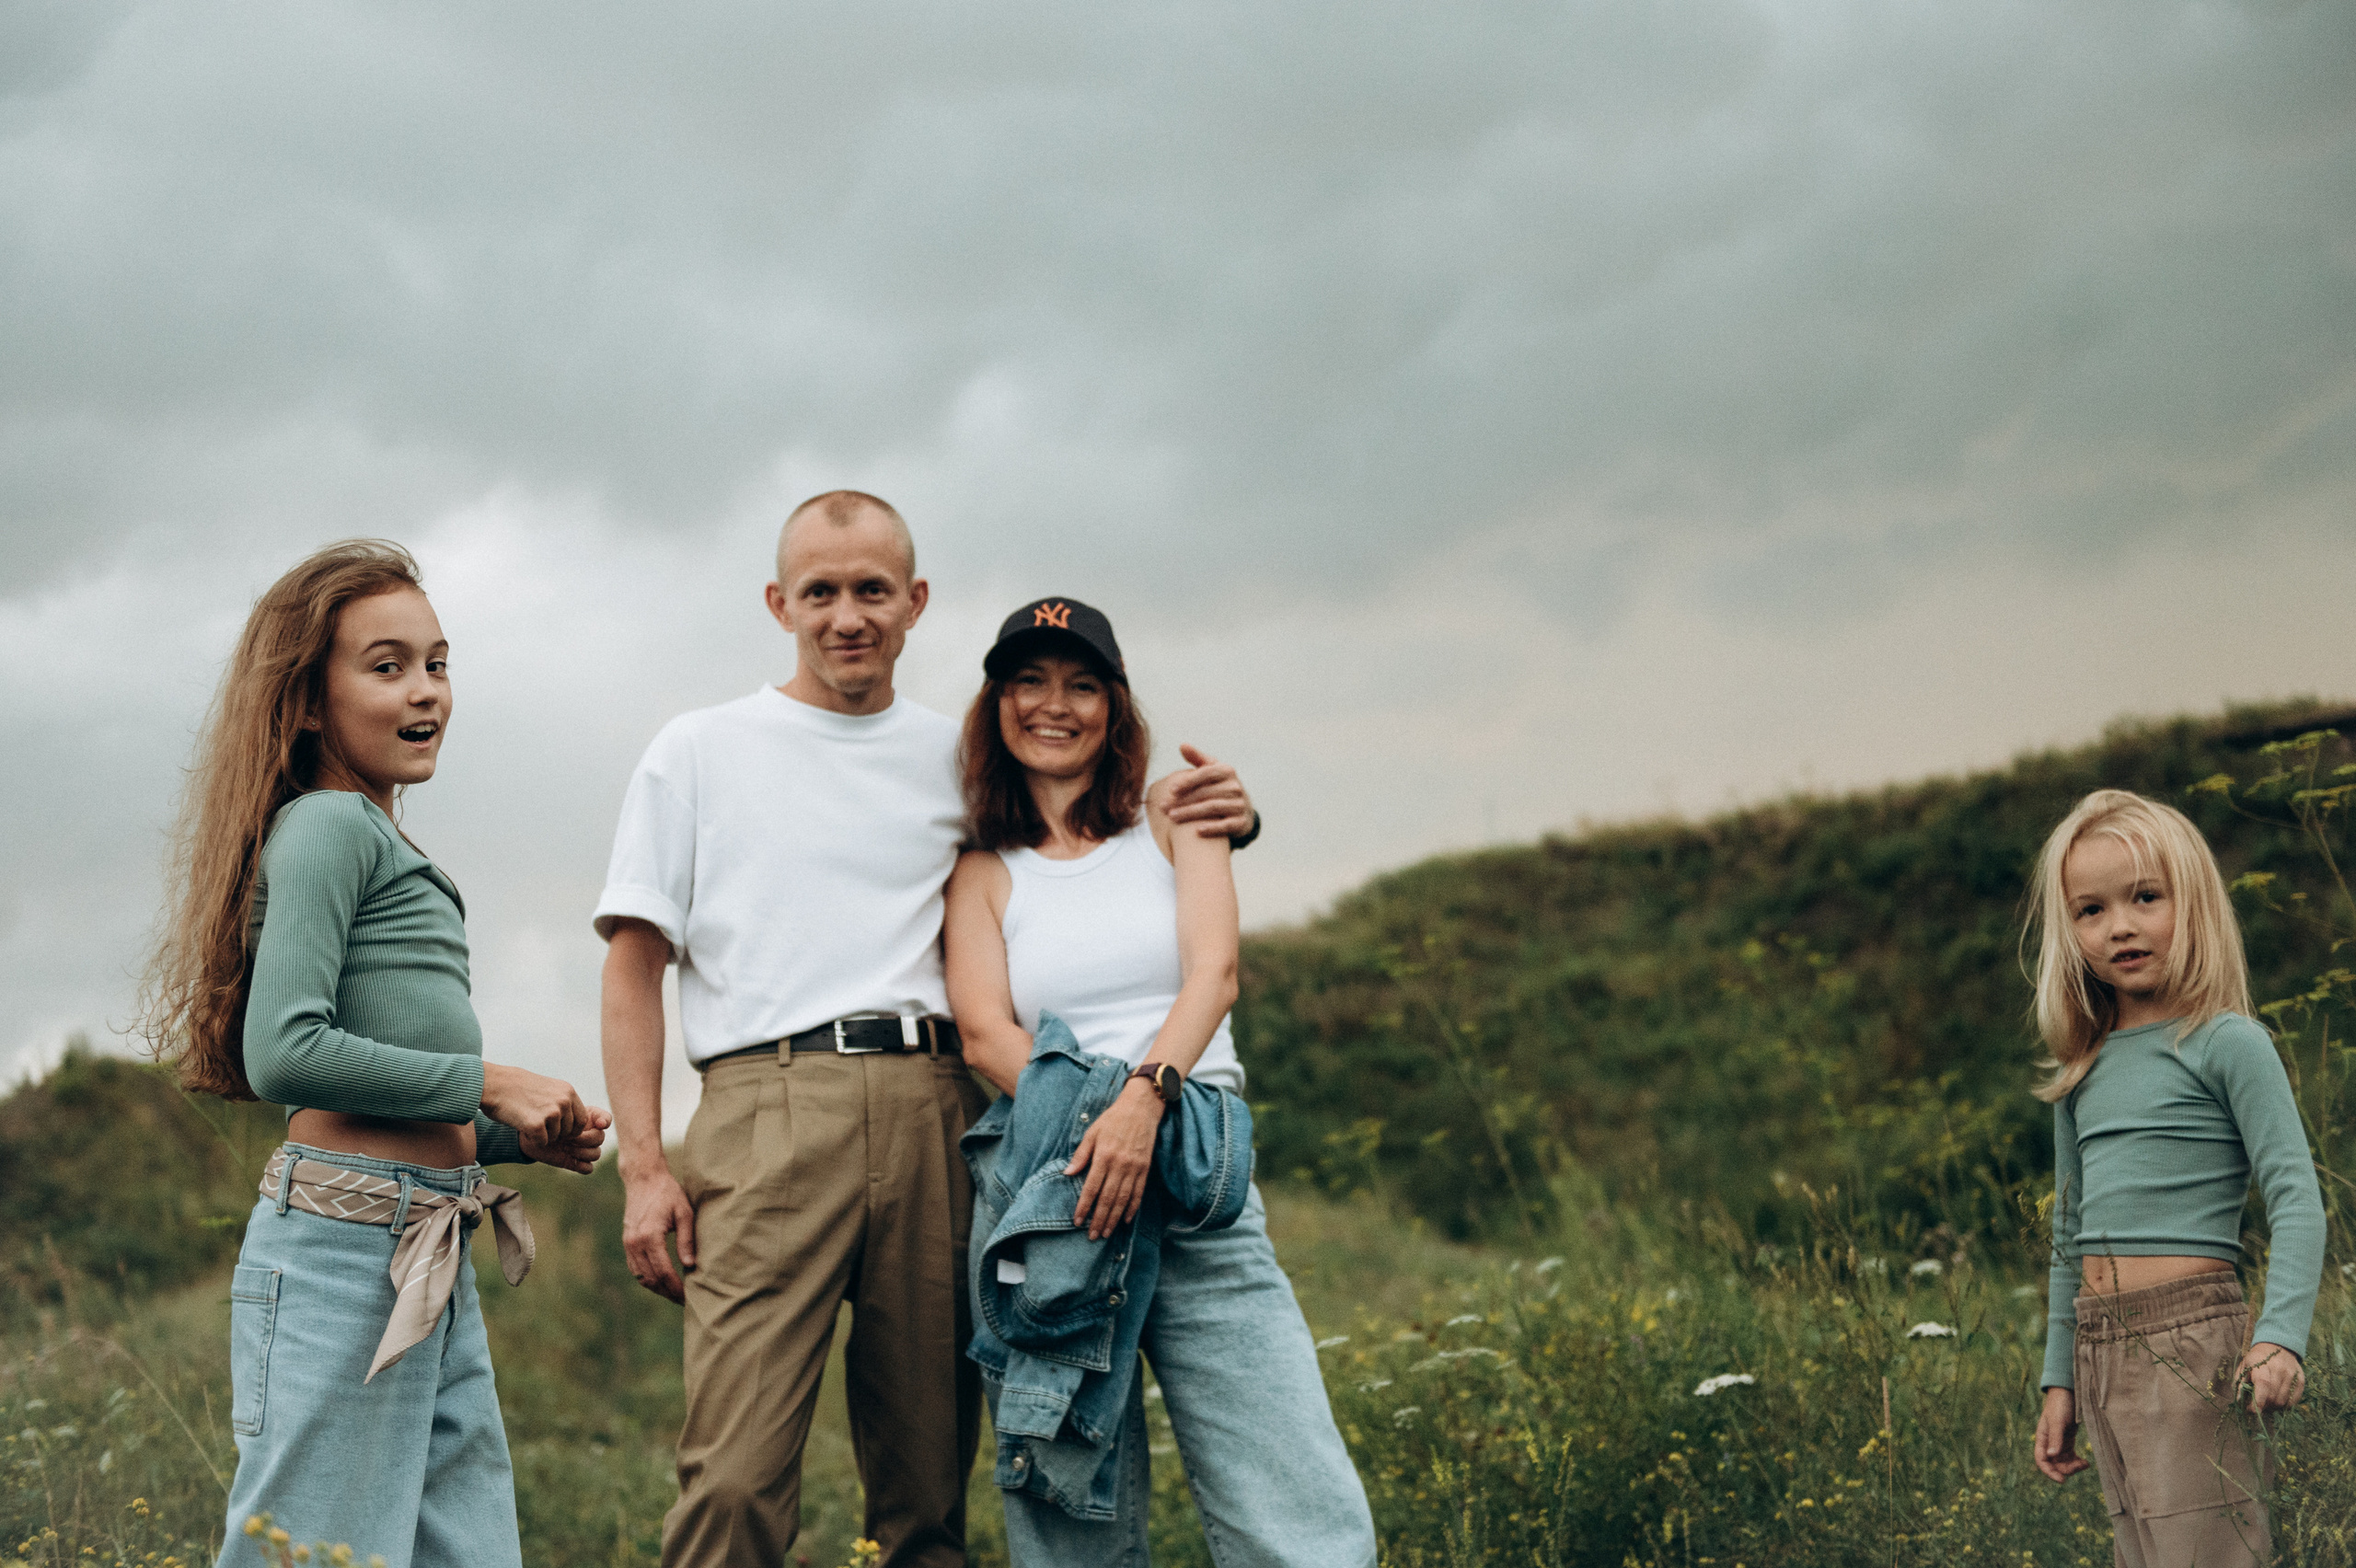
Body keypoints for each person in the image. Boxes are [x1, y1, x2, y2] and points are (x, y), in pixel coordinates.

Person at [594, 494, 1257, 1568]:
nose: (847, 616)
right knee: (734, 1478)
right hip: (766, 1109)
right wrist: (641, 1167)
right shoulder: (698, 749)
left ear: (915, 602)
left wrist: (1230, 813)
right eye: (819, 592)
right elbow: (634, 963)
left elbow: (1093, 831)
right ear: (778, 604)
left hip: (941, 1114)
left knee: (927, 1484)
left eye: (871, 590)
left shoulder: (962, 758)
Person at [136, 539, 610, 1568]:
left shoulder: (381, 841)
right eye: (386, 667)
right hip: (343, 1254)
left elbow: (389, 1081)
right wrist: (491, 1080)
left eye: (436, 664)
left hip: (428, 1242)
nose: (425, 690)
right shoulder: (328, 827)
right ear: (309, 702)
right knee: (305, 1553)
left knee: (467, 1551)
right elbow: (286, 1052)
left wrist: (508, 1137)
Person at [942, 596, 1377, 1566]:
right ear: (997, 703)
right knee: (1068, 1515)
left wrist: (1141, 1107)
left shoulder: (1176, 814)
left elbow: (1212, 974)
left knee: (1292, 1495)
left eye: (1081, 685)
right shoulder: (982, 871)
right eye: (1028, 682)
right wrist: (1099, 1128)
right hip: (1050, 1192)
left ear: (1116, 705)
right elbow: (983, 1035)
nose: (1053, 705)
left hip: (1187, 1167)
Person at [2027, 789, 2324, 1566]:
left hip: (2192, 1348)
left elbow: (2296, 1197)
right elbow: (2069, 1235)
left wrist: (2279, 1339)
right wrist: (2060, 1379)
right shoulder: (2083, 1066)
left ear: (2191, 902)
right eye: (2091, 910)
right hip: (2099, 1347)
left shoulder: (2227, 1043)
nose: (2119, 926)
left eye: (2145, 898)